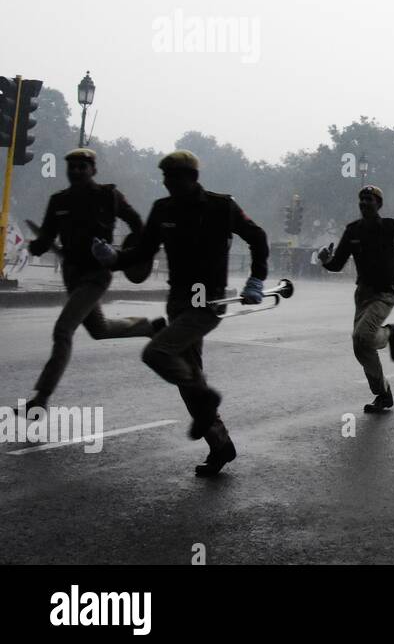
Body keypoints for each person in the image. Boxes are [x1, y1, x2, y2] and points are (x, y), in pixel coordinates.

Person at [94, 150, 268, 477]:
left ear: (192, 177)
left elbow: (257, 237)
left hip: (207, 301)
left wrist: (256, 277)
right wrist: (113, 258)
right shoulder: (163, 209)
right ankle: (220, 444)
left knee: (157, 352)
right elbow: (143, 252)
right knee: (186, 376)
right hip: (177, 300)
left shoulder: (221, 206)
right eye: (165, 176)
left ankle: (207, 398)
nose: (167, 182)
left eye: (173, 176)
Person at [25, 148, 161, 412]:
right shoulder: (59, 201)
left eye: (82, 166)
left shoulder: (109, 196)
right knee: (99, 330)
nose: (76, 170)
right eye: (72, 166)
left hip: (97, 275)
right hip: (72, 274)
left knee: (63, 330)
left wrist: (129, 256)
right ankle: (149, 328)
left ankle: (41, 398)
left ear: (93, 170)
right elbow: (45, 239)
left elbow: (138, 226)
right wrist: (36, 247)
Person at [318, 185, 394, 411]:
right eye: (361, 199)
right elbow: (337, 264)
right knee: (360, 346)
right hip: (362, 294)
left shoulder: (391, 227)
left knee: (362, 335)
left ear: (379, 204)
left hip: (384, 294)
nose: (364, 203)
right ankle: (383, 394)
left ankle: (391, 332)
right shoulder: (352, 231)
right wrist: (325, 258)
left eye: (369, 199)